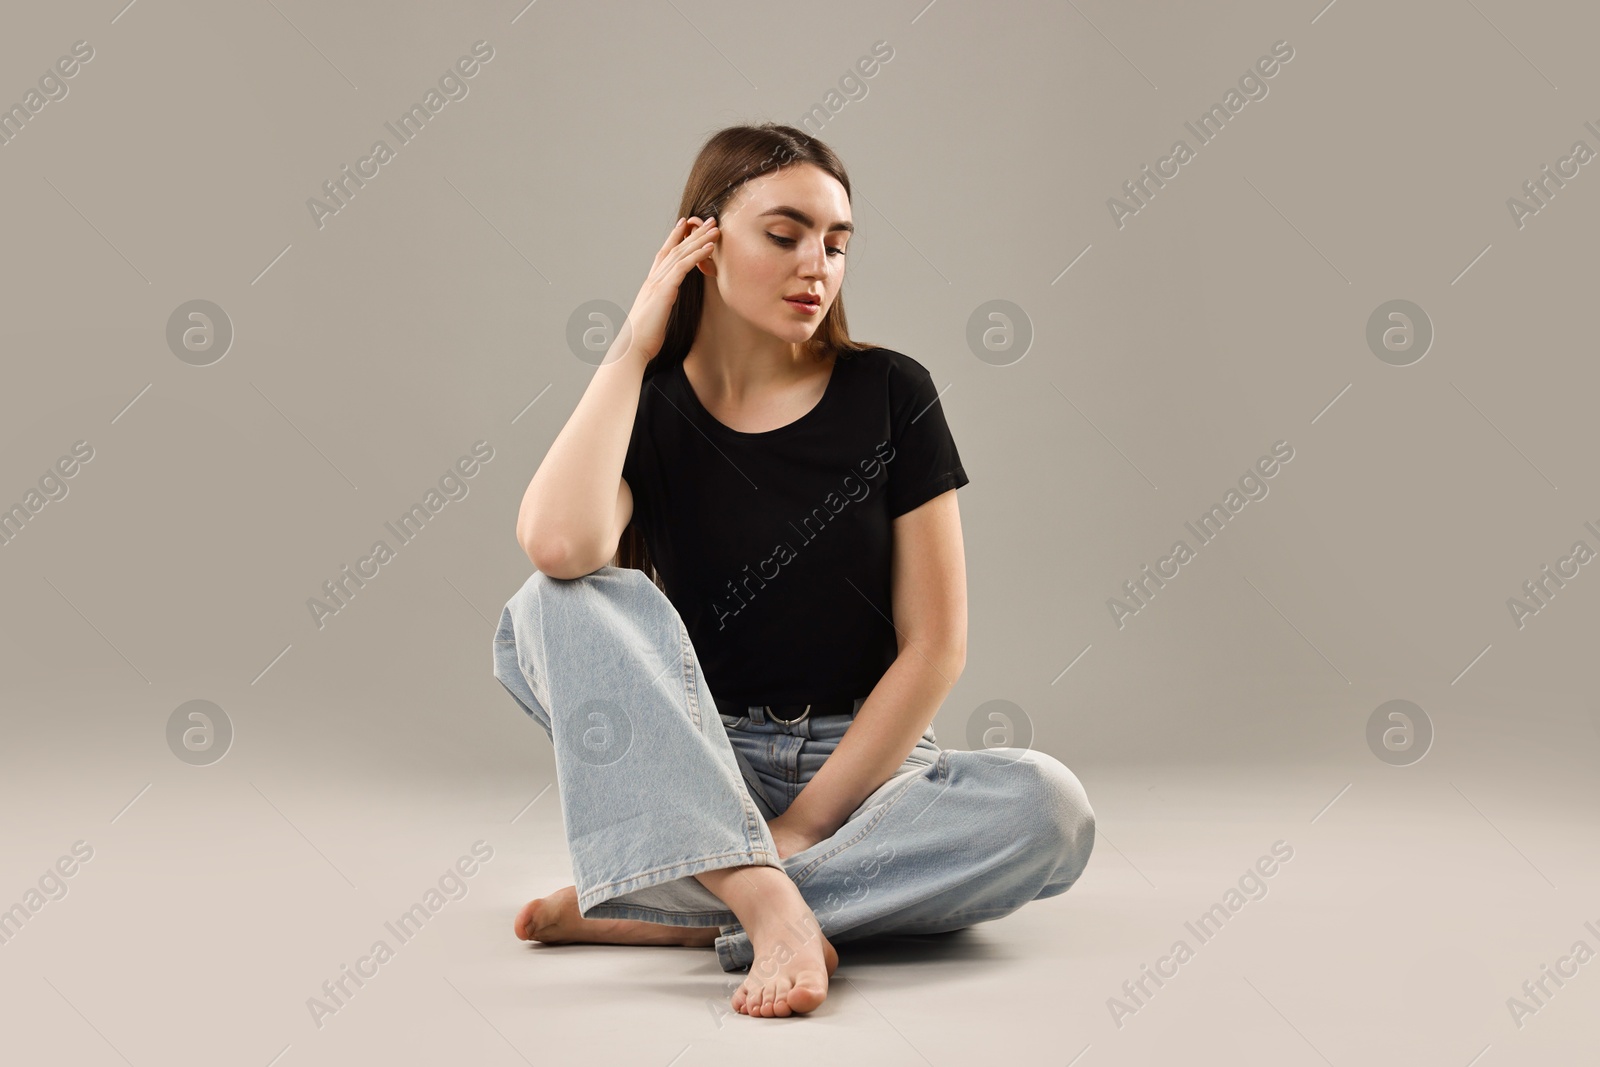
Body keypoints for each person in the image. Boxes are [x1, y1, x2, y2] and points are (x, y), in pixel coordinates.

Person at [493, 123, 1095, 1019]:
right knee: (545, 607)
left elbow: (935, 647)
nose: (817, 264)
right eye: (784, 235)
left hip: (871, 768)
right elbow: (556, 544)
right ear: (703, 242)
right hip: (703, 759)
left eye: (837, 243)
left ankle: (688, 903)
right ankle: (768, 903)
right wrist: (632, 342)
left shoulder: (892, 391)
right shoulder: (652, 411)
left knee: (1049, 809)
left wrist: (802, 825)